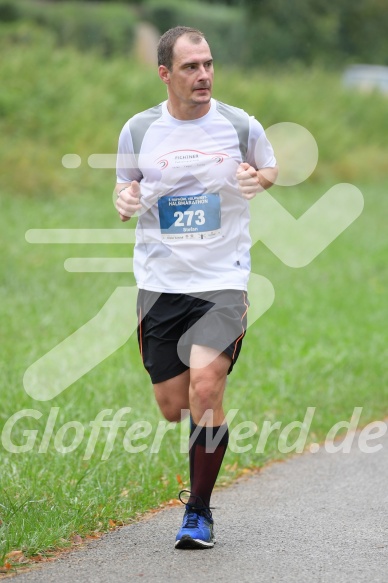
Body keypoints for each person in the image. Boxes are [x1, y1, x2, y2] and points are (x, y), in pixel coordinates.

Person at [115, 26, 278, 550]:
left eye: (207, 64)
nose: (203, 74)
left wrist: (260, 179)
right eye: (190, 67)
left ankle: (198, 513)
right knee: (172, 404)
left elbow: (269, 166)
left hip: (222, 280)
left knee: (206, 389)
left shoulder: (237, 123)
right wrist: (124, 199)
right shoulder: (139, 131)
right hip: (161, 285)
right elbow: (125, 186)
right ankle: (207, 432)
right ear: (165, 73)